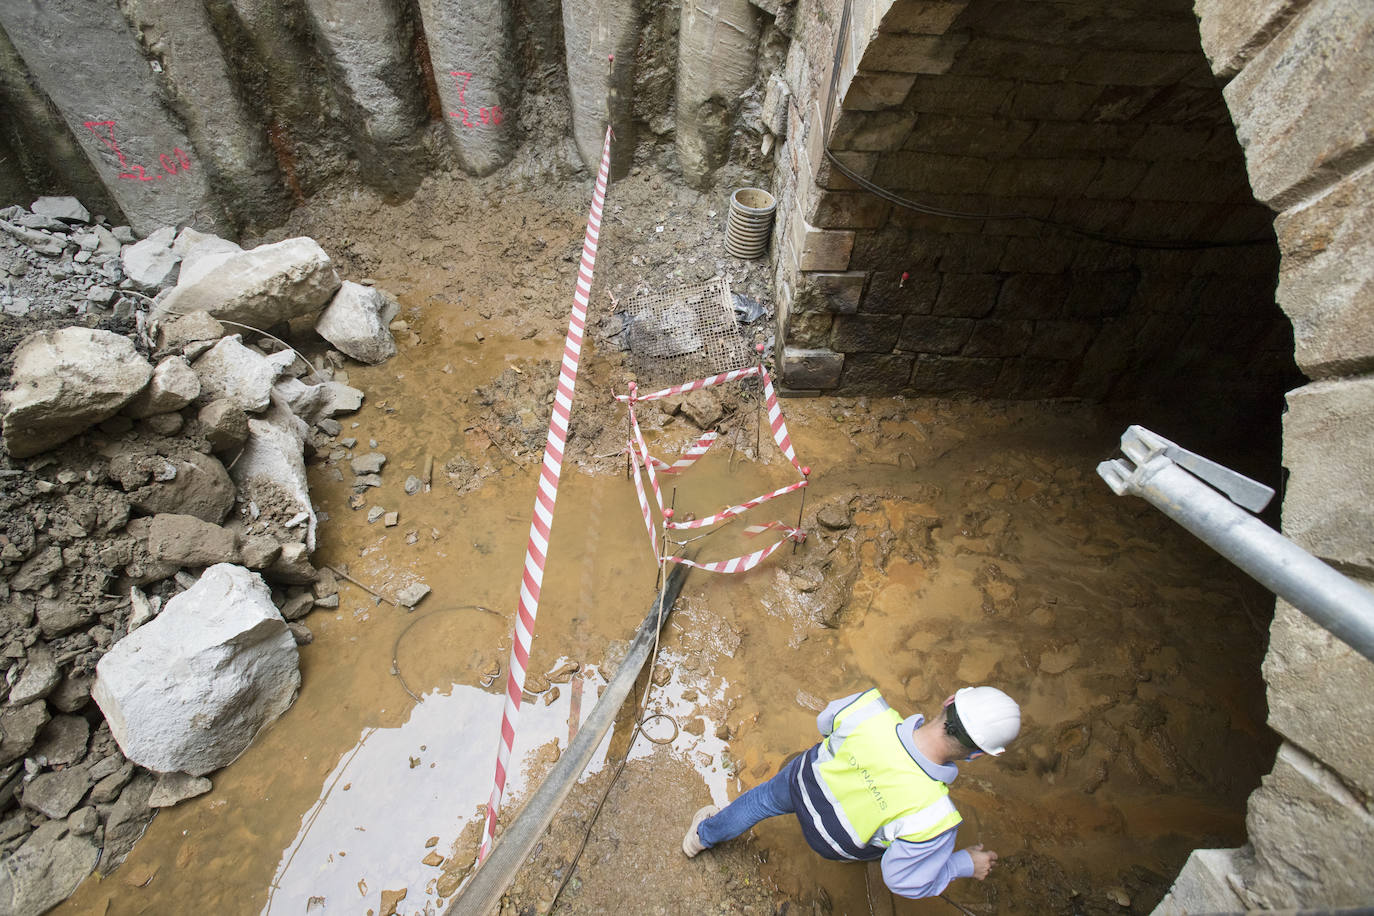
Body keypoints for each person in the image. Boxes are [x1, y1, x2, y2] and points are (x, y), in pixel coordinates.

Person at [681, 685, 1021, 899]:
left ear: (950, 700)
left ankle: (701, 837)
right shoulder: (936, 817)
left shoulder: (869, 707)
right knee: (887, 845)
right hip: (832, 845)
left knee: (761, 801)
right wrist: (961, 863)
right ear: (979, 754)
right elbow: (903, 881)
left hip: (801, 783)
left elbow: (825, 724)